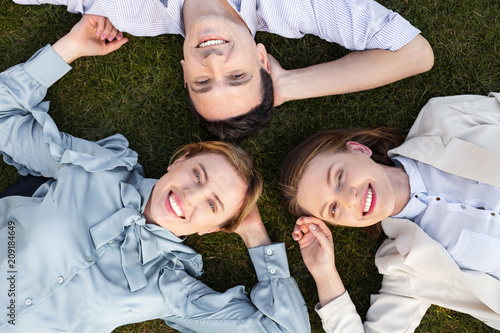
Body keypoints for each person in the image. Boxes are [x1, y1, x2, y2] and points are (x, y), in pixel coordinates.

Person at [0, 16, 311, 333]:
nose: (191, 196)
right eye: (197, 175)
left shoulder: (169, 290)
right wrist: (70, 47)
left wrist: (256, 236)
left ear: (213, 229)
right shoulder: (95, 168)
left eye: (213, 206)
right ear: (180, 161)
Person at [14, 0, 434, 139]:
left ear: (183, 71)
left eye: (202, 82)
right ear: (262, 59)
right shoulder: (295, 8)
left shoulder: (126, 11)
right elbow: (414, 54)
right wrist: (282, 87)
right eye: (238, 76)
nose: (214, 63)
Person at [280, 92, 500, 332]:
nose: (348, 198)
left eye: (339, 177)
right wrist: (324, 274)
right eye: (333, 208)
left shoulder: (443, 118)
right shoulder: (406, 266)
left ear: (358, 149)